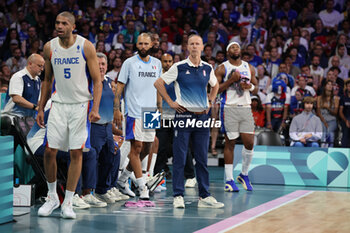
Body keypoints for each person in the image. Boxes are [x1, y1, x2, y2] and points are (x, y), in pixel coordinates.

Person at [36, 12, 102, 219]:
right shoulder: (49, 47)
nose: (59, 26)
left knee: (76, 153)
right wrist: (40, 108)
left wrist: (95, 108)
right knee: (49, 152)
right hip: (58, 104)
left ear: (73, 26)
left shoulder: (85, 46)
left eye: (64, 23)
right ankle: (52, 196)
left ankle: (69, 201)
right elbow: (47, 80)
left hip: (81, 106)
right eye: (57, 23)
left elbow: (97, 81)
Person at [154, 34, 223, 209]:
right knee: (180, 157)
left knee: (201, 158)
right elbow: (159, 83)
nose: (194, 46)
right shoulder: (178, 67)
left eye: (197, 44)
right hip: (183, 116)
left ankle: (204, 196)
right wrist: (170, 102)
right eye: (191, 44)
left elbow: (215, 85)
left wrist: (210, 101)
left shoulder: (207, 67)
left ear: (202, 47)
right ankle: (178, 195)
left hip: (202, 118)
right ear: (187, 47)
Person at [114, 33, 162, 200]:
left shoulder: (157, 64)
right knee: (137, 148)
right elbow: (120, 87)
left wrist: (159, 107)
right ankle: (142, 187)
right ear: (136, 44)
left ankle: (122, 180)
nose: (142, 46)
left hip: (151, 112)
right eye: (140, 43)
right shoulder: (129, 63)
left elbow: (158, 87)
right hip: (134, 111)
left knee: (148, 148)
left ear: (151, 45)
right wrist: (116, 109)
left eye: (145, 44)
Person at [215, 41, 257, 192]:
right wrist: (231, 81)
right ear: (227, 52)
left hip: (245, 107)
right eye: (232, 47)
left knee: (249, 142)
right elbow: (215, 90)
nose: (235, 48)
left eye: (237, 47)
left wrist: (250, 87)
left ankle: (244, 174)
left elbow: (256, 86)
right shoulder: (222, 68)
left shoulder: (248, 67)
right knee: (230, 143)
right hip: (229, 108)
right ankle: (229, 180)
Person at [91, 52, 128, 203]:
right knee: (92, 159)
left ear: (107, 66)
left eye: (103, 64)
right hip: (94, 127)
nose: (100, 67)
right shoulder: (89, 82)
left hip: (107, 127)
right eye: (98, 64)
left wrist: (116, 111)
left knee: (110, 157)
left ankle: (103, 190)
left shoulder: (108, 81)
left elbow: (114, 101)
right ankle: (89, 192)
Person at [316, 80, 339, 147]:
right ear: (325, 86)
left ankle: (330, 149)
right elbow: (318, 112)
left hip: (332, 120)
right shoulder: (319, 98)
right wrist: (324, 122)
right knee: (323, 133)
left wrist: (328, 108)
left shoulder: (336, 98)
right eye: (328, 84)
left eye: (331, 84)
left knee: (330, 133)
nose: (330, 86)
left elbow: (335, 112)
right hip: (322, 120)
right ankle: (322, 150)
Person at [339, 79, 350, 147]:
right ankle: (344, 151)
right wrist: (346, 121)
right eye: (348, 86)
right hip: (345, 119)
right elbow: (340, 112)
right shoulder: (343, 98)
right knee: (345, 136)